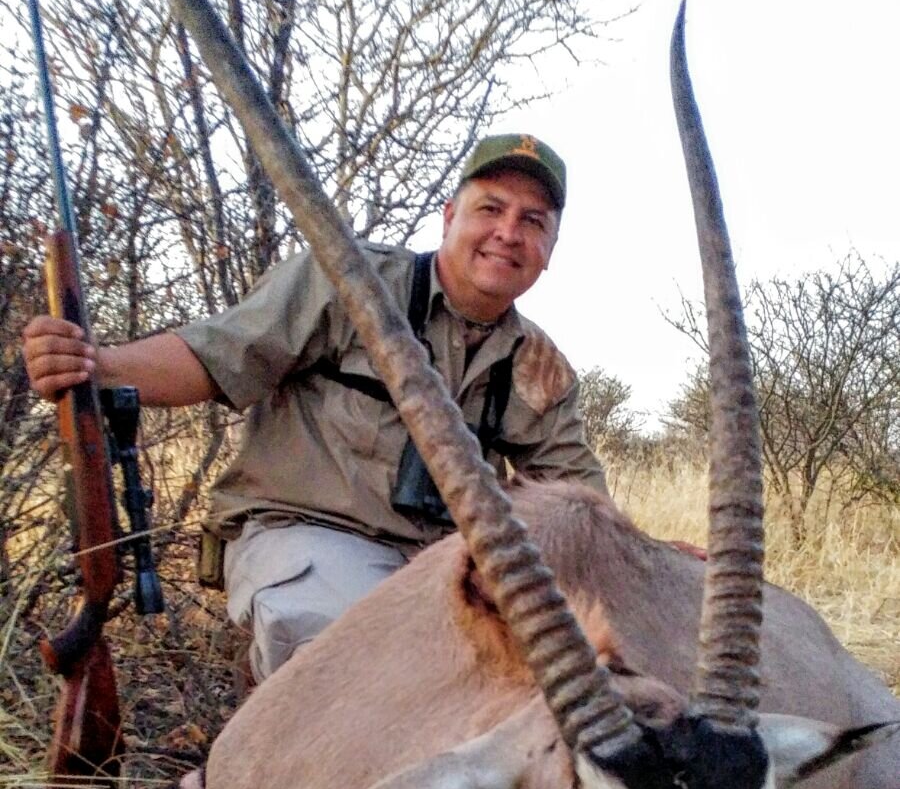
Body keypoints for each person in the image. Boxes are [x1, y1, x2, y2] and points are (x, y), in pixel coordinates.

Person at [24, 133, 608, 682]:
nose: (508, 232)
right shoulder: (349, 279)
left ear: (550, 250)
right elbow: (217, 355)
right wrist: (97, 366)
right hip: (307, 535)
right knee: (355, 666)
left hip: (442, 572)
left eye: (533, 221)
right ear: (450, 216)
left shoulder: (541, 369)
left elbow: (587, 510)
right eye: (491, 208)